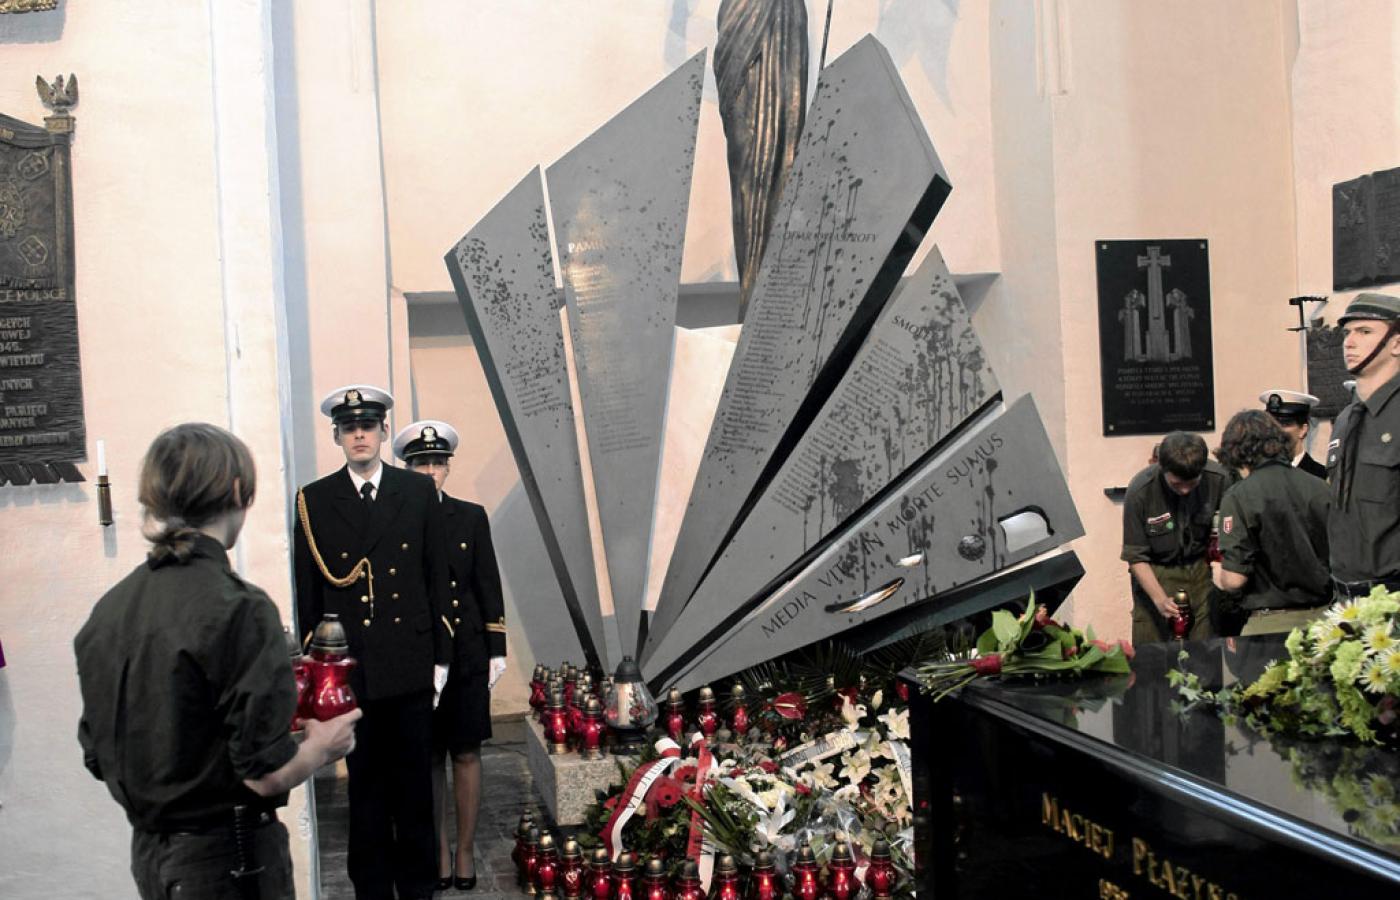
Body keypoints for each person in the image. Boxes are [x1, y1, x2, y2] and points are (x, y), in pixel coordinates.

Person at [75, 423, 361, 900]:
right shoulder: (239, 608)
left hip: (151, 858)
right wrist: (322, 747)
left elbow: (96, 755)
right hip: (229, 862)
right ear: (236, 489)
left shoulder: (110, 609)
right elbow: (264, 774)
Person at [293, 386, 453, 900]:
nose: (358, 435)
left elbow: (436, 576)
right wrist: (319, 676)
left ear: (384, 431)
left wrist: (441, 658)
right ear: (337, 436)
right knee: (364, 791)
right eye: (348, 428)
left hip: (409, 662)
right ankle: (373, 891)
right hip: (353, 671)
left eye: (367, 426)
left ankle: (419, 889)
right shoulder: (315, 500)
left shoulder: (416, 490)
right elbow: (308, 595)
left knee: (413, 789)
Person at [393, 420, 509, 892]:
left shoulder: (470, 516)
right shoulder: (396, 519)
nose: (430, 471)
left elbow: (487, 584)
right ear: (407, 469)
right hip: (418, 654)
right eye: (421, 463)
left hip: (466, 653)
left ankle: (464, 849)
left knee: (465, 750)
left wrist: (497, 648)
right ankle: (438, 848)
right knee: (428, 755)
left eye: (438, 463)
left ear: (447, 469)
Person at [1209, 410, 1331, 635]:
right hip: (1324, 623)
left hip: (1270, 624)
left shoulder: (1239, 496)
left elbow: (1235, 580)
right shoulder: (1320, 486)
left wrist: (1220, 576)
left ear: (1235, 450)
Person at [1121, 430, 1230, 644]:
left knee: (1204, 651)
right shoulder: (1140, 491)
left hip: (1201, 573)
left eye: (1192, 483)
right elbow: (1135, 557)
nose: (1185, 490)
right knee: (1152, 654)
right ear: (1162, 468)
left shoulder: (1219, 480)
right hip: (1155, 575)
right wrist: (1160, 600)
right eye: (1177, 484)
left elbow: (1229, 537)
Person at [1327, 292, 1400, 598]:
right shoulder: (1346, 419)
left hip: (1392, 598)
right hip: (1344, 598)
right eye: (1347, 333)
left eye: (1365, 331)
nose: (1350, 342)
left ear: (1396, 344)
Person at [1259, 389, 1327, 479]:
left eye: (1284, 425)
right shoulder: (1261, 475)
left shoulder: (1320, 475)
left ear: (1303, 430)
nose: (1277, 431)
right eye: (1272, 425)